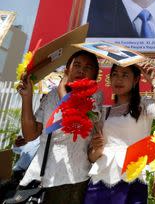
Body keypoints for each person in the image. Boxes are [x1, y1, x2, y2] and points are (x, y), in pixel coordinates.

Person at [16, 50, 103, 204]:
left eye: (88, 67)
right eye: (77, 65)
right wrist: (27, 97)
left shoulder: (94, 97)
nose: (81, 70)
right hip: (40, 177)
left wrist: (62, 90)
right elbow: (30, 134)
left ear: (94, 76)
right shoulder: (51, 96)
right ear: (67, 70)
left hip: (72, 180)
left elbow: (75, 114)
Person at [84, 62, 155, 204]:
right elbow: (92, 157)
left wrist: (154, 82)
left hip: (133, 177)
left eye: (125, 75)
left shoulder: (143, 106)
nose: (119, 79)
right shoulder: (103, 111)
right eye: (115, 75)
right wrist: (97, 149)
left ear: (136, 80)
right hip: (101, 179)